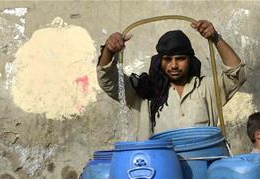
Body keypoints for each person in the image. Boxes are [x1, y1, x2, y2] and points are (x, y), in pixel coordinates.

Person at [97, 21, 245, 139]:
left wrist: (215, 38)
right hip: (159, 166)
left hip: (202, 162)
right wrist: (109, 51)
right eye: (167, 59)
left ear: (190, 60)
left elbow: (237, 73)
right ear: (159, 61)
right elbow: (108, 81)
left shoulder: (206, 88)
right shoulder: (144, 92)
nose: (174, 65)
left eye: (180, 59)